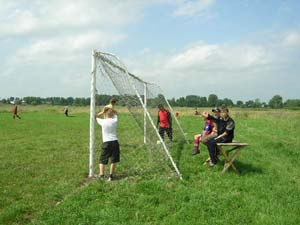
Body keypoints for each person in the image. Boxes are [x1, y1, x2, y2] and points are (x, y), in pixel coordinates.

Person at [96, 108, 120, 181]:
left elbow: (95, 116)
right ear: (112, 114)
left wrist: (102, 111)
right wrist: (112, 109)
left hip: (106, 142)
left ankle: (101, 175)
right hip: (115, 142)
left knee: (102, 160)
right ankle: (111, 176)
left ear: (105, 115)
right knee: (113, 160)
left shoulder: (102, 121)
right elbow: (116, 113)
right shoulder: (114, 120)